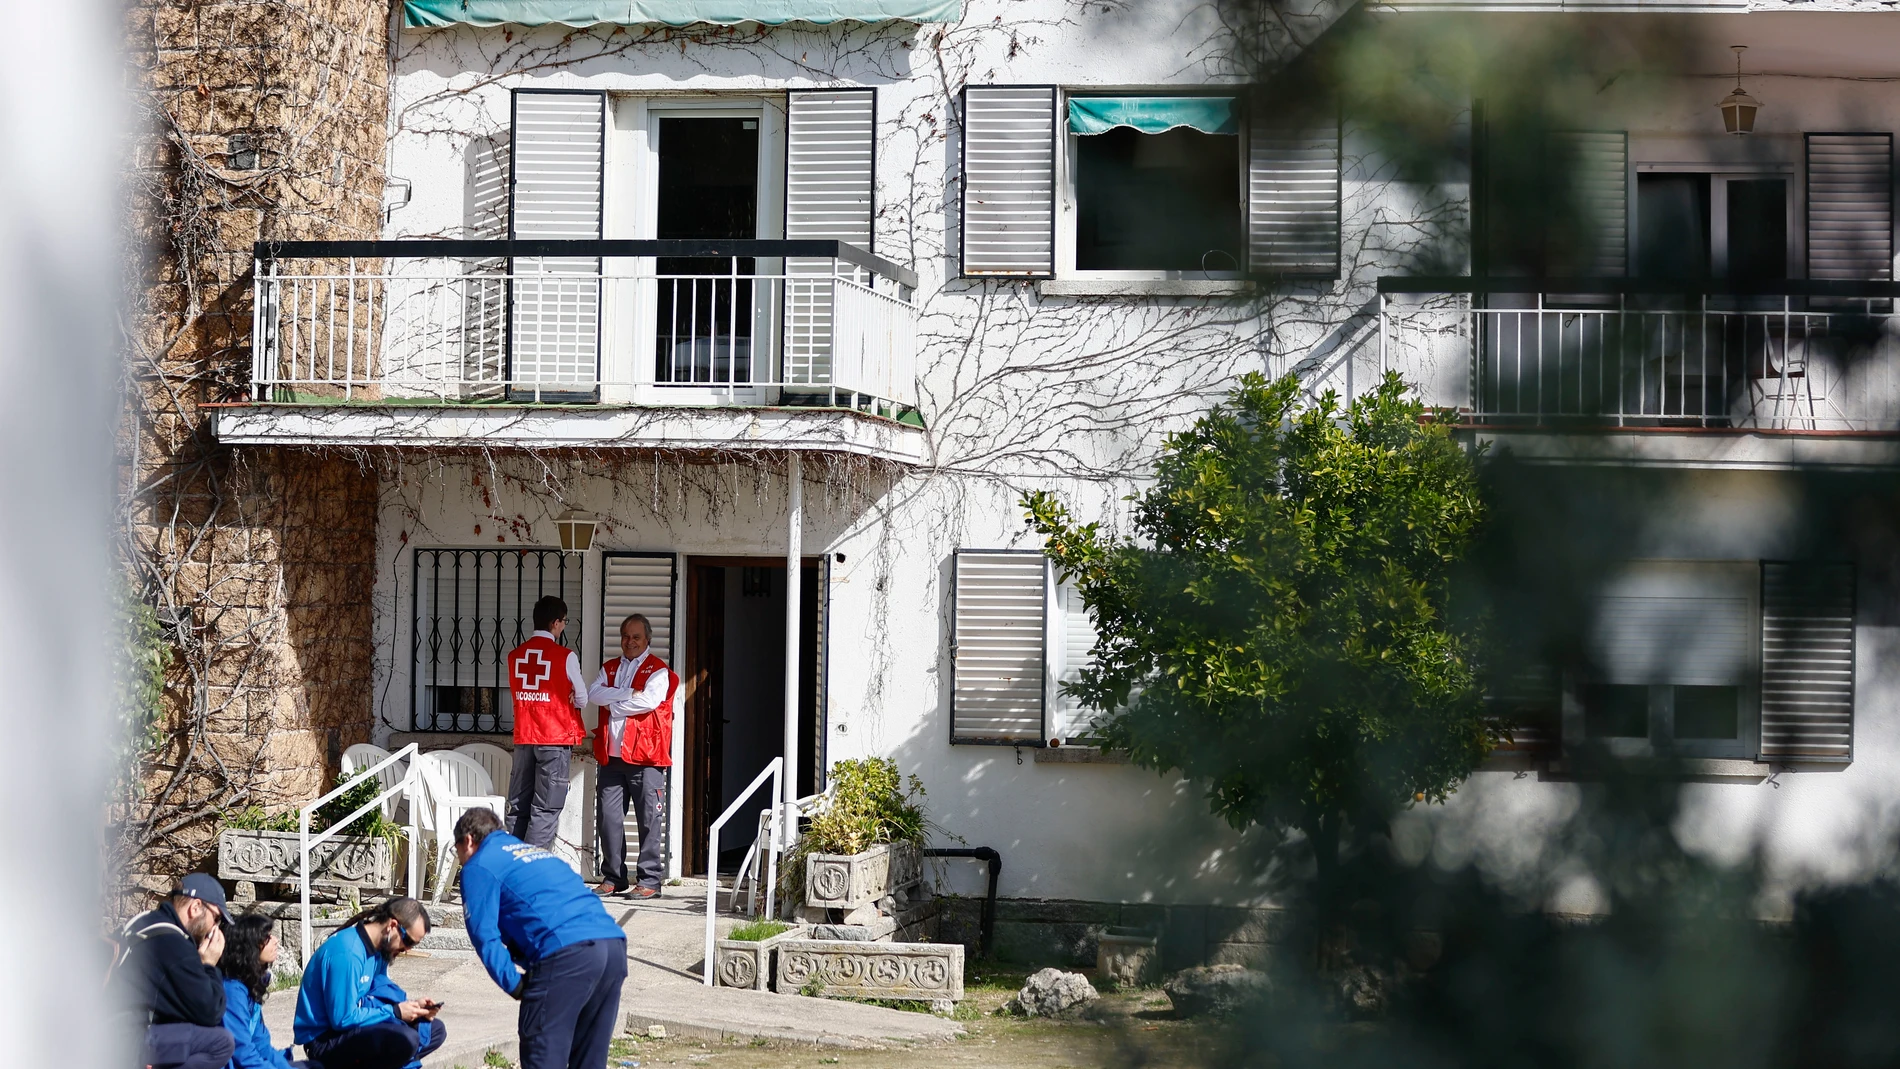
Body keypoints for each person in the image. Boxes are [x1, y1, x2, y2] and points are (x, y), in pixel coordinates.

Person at [453, 807, 627, 1069]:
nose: (460, 860)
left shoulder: (478, 865)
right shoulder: (539, 854)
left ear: (467, 840)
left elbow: (484, 936)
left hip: (566, 953)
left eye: (458, 852)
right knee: (589, 1062)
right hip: (612, 946)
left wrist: (515, 985)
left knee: (543, 1056)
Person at [586, 613, 679, 899]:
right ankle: (614, 877)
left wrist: (614, 702)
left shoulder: (659, 671)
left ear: (647, 639)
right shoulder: (610, 667)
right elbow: (593, 694)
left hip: (646, 758)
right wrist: (627, 693)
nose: (630, 642)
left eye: (636, 637)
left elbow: (649, 702)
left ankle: (650, 880)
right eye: (626, 636)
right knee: (608, 818)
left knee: (649, 820)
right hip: (612, 758)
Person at [293, 898, 445, 1069]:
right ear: (392, 926)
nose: (407, 949)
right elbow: (342, 1019)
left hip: (353, 1027)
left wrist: (414, 1009)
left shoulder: (379, 950)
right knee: (405, 1039)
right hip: (325, 1038)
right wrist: (395, 1012)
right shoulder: (348, 954)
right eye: (408, 941)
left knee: (435, 1030)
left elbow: (379, 994)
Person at [114, 873, 237, 1069]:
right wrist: (208, 965)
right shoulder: (174, 945)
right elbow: (210, 1011)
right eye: (216, 918)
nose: (215, 928)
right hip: (127, 1043)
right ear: (196, 907)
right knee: (220, 1043)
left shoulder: (145, 922)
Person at [506, 595, 589, 848]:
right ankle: (534, 871)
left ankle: (511, 866)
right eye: (564, 621)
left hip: (524, 737)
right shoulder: (565, 656)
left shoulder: (515, 655)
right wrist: (570, 698)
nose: (564, 626)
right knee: (546, 806)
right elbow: (583, 698)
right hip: (554, 738)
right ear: (555, 623)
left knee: (517, 805)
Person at [217, 912, 304, 1069]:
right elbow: (243, 1053)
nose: (275, 941)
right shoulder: (232, 991)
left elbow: (262, 1045)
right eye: (267, 937)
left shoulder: (249, 985)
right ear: (248, 947)